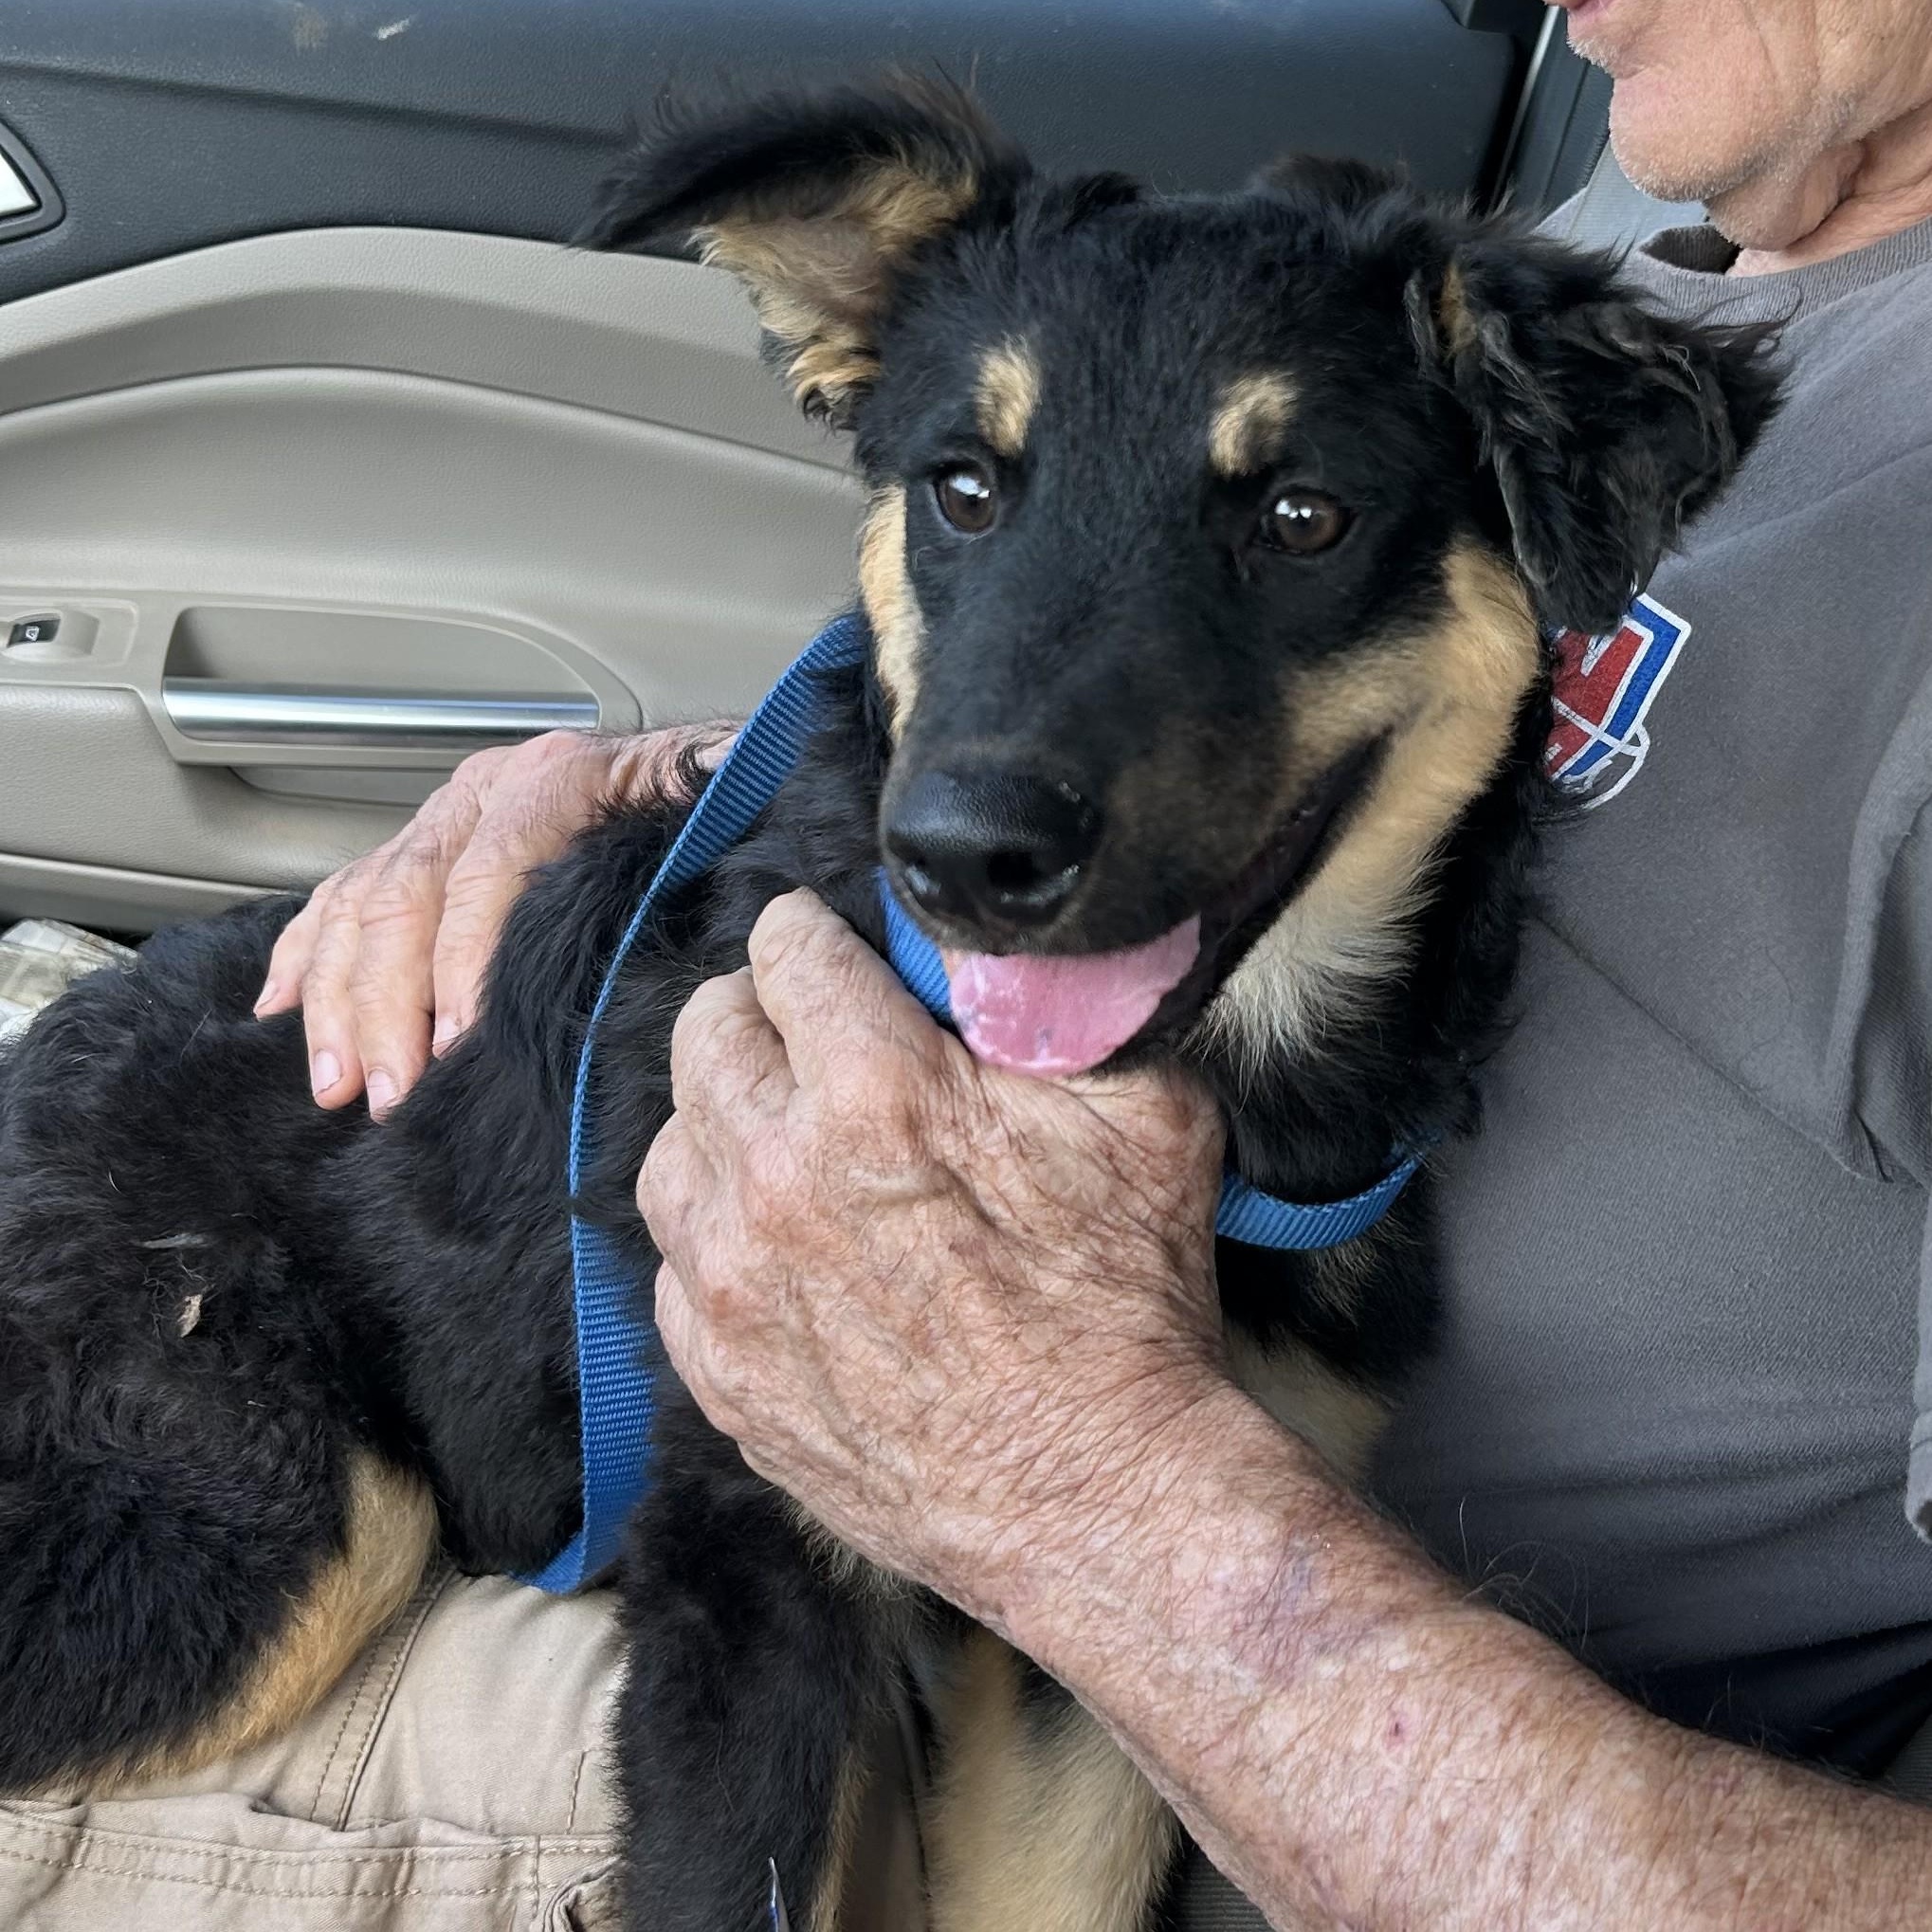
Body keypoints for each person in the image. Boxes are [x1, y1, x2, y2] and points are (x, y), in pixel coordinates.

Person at [225, 0, 1932, 1920]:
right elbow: (1096, 586)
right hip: (720, 1479)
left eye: (1297, 512)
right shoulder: (1642, 233)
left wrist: (1081, 1488)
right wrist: (650, 784)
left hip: (1152, 1724)